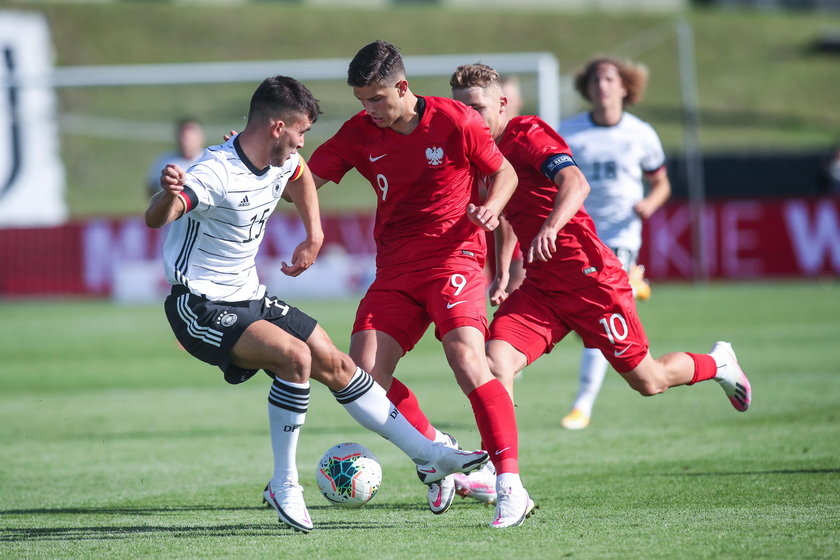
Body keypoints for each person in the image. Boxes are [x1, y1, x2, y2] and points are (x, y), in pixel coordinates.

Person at [144, 75, 489, 534]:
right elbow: (156, 218)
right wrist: (169, 193)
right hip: (200, 306)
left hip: (251, 297)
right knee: (295, 357)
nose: (304, 142)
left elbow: (302, 174)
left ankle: (429, 457)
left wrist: (315, 234)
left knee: (338, 364)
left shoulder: (281, 158)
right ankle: (285, 484)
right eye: (301, 132)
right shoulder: (216, 171)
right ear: (276, 126)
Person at [448, 62, 751, 503]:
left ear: (501, 103)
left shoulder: (528, 131)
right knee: (495, 361)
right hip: (542, 287)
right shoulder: (478, 152)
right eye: (462, 109)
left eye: (477, 108)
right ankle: (500, 470)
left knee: (650, 381)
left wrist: (552, 227)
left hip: (591, 278)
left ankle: (718, 363)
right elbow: (507, 213)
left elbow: (576, 182)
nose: (469, 118)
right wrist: (505, 271)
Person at [306, 40, 534, 528]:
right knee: (362, 378)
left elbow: (506, 172)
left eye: (376, 99)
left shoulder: (455, 120)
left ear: (402, 87)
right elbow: (298, 182)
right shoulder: (359, 132)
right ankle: (437, 452)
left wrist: (491, 208)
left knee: (468, 360)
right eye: (362, 101)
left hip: (456, 258)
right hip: (395, 270)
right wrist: (252, 153)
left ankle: (510, 487)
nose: (369, 110)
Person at [557, 57, 673, 430]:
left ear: (625, 87)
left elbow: (661, 182)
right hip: (577, 236)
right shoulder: (569, 131)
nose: (602, 85)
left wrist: (648, 204)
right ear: (587, 89)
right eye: (595, 80)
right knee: (581, 318)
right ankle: (632, 286)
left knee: (601, 318)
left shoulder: (641, 133)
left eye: (609, 79)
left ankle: (582, 405)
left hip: (621, 237)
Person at [146, 118, 205, 198]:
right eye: (184, 138)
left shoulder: (208, 161)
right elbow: (152, 188)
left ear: (200, 138)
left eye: (190, 139)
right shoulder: (165, 161)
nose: (185, 143)